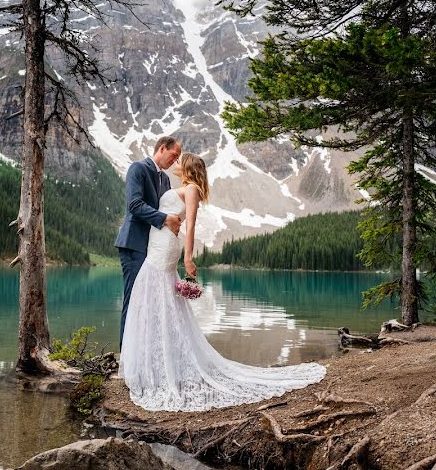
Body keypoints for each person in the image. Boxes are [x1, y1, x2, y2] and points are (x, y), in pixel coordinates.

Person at [119, 153, 326, 411]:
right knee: (152, 298)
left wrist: (188, 258)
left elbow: (191, 224)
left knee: (157, 296)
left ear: (189, 168)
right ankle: (155, 361)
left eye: (181, 161)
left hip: (166, 248)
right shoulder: (179, 187)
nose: (177, 163)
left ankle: (164, 366)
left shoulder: (191, 189)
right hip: (157, 243)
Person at [114, 136, 183, 349]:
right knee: (133, 300)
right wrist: (165, 219)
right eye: (173, 156)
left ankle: (144, 354)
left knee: (150, 302)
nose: (175, 161)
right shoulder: (138, 169)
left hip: (154, 250)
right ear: (162, 148)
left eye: (178, 158)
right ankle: (126, 358)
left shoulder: (166, 180)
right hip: (134, 244)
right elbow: (134, 204)